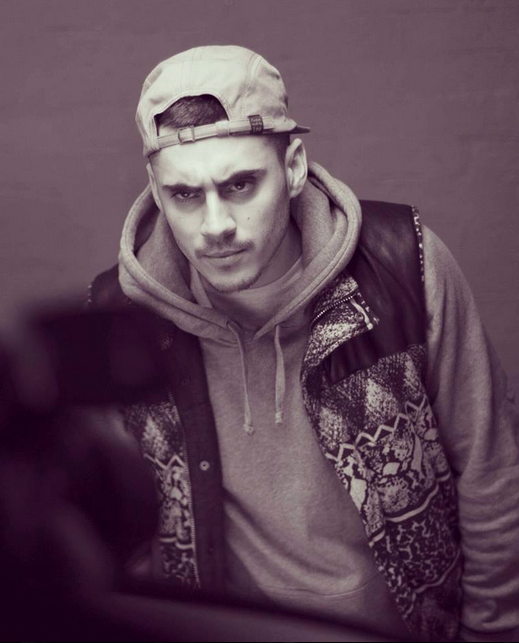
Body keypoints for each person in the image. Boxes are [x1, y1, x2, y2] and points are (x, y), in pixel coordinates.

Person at [88, 45, 519, 642]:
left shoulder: (402, 265)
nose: (215, 225)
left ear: (292, 167)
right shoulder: (122, 316)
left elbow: (491, 471)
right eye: (185, 194)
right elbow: (111, 530)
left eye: (241, 184)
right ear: (157, 193)